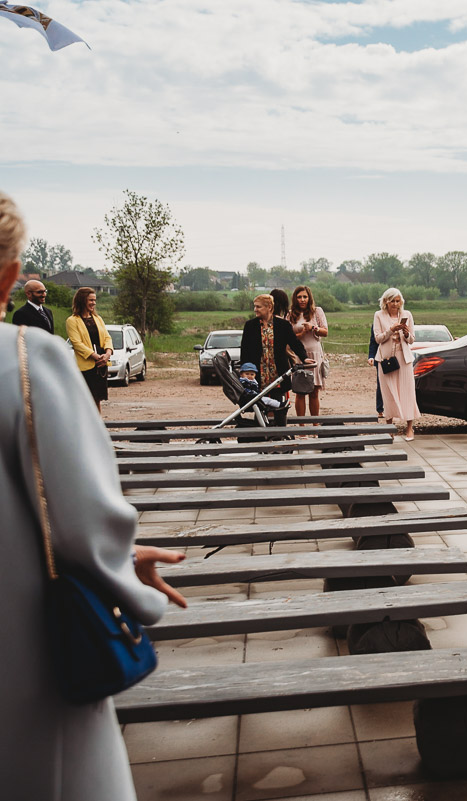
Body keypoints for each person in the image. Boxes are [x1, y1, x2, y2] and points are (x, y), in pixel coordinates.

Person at [0, 191, 188, 801]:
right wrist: (126, 572)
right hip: (20, 651)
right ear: (8, 275)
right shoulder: (25, 362)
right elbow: (80, 522)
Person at [240, 293, 308, 426]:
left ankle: (280, 436)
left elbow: (295, 343)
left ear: (269, 307)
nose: (255, 310)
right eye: (255, 307)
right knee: (258, 406)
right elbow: (244, 350)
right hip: (257, 375)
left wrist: (305, 358)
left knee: (279, 407)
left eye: (258, 307)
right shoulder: (250, 326)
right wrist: (244, 372)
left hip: (278, 375)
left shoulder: (283, 325)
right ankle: (260, 437)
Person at [374, 288, 419, 441]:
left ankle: (409, 428)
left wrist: (405, 333)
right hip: (386, 359)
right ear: (386, 301)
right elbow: (378, 339)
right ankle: (389, 428)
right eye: (392, 300)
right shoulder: (379, 315)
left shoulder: (407, 315)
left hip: (404, 357)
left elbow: (412, 339)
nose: (395, 304)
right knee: (388, 393)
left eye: (398, 301)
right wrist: (390, 330)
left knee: (407, 392)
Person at [65, 287, 113, 415]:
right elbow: (76, 343)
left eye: (95, 300)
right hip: (86, 367)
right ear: (82, 301)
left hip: (100, 366)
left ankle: (98, 427)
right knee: (86, 400)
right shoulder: (72, 321)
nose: (93, 303)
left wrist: (107, 354)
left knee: (97, 399)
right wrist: (96, 356)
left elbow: (107, 337)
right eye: (90, 300)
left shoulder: (98, 318)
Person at [288, 285, 328, 418]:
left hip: (315, 354)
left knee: (314, 391)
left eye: (305, 297)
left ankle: (315, 425)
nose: (302, 300)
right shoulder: (290, 314)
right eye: (299, 297)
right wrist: (302, 332)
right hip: (298, 356)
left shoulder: (317, 312)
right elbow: (288, 338)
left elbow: (325, 332)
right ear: (295, 299)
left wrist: (313, 328)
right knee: (300, 392)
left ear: (309, 298)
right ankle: (302, 427)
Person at [367, 329, 383, 418]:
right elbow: (373, 341)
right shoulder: (377, 320)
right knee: (381, 382)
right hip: (380, 356)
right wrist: (371, 356)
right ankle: (380, 409)